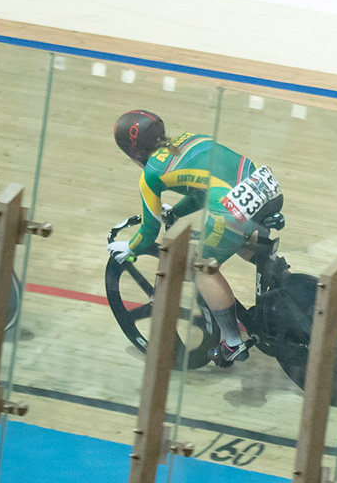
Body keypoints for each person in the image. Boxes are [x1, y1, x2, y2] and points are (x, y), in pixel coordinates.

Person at [111, 111, 282, 367]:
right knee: (236, 236)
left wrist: (130, 247)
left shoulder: (150, 175)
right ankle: (279, 273)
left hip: (233, 208)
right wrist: (176, 212)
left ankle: (232, 342)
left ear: (132, 153)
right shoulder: (187, 138)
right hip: (269, 189)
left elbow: (149, 231)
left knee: (204, 266)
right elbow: (204, 190)